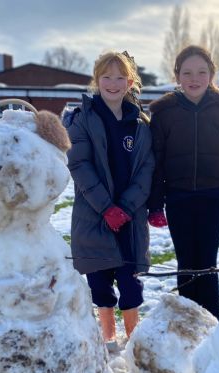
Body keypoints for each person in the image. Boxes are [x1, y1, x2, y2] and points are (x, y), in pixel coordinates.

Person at [63, 51, 155, 349]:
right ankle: (108, 337)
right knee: (100, 282)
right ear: (97, 80)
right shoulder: (82, 120)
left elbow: (147, 168)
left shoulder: (140, 123)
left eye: (120, 77)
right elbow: (79, 164)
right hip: (94, 215)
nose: (113, 84)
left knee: (131, 282)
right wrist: (107, 208)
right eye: (106, 77)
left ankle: (132, 339)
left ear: (129, 82)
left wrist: (125, 207)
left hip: (130, 218)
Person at [147, 45, 219, 319]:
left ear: (211, 74)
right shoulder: (164, 112)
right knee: (186, 263)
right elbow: (156, 160)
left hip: (212, 197)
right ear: (177, 75)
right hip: (177, 198)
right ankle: (187, 320)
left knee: (207, 262)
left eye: (202, 72)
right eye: (187, 72)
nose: (194, 78)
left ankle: (211, 319)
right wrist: (155, 204)